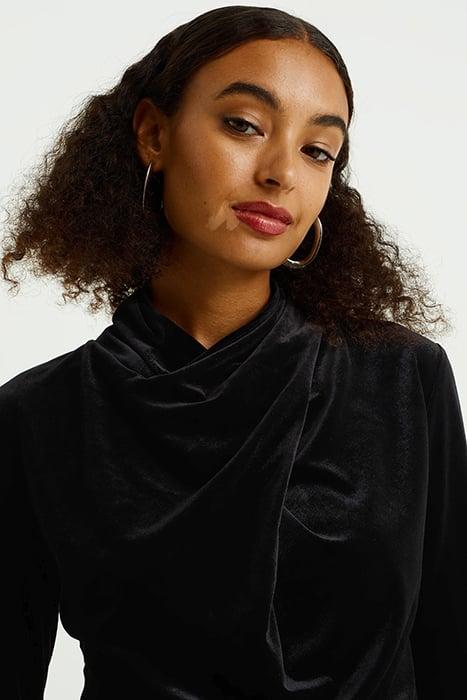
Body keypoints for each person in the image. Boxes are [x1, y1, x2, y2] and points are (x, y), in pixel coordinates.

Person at [1, 5, 466, 699]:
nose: (281, 173)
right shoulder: (39, 416)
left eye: (317, 150)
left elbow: (451, 651)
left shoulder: (402, 378)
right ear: (154, 134)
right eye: (244, 125)